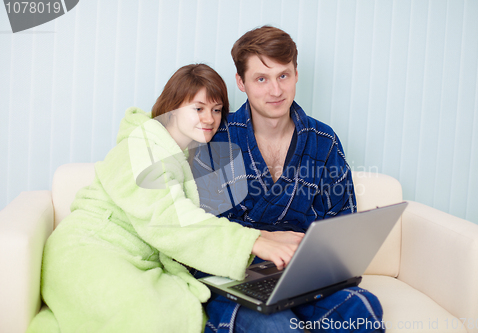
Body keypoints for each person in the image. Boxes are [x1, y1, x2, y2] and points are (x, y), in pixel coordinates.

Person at [26, 64, 302, 333]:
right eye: (198, 108)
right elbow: (169, 218)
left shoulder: (190, 157)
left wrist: (266, 235)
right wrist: (253, 242)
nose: (209, 119)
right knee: (149, 317)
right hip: (89, 249)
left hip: (137, 259)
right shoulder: (140, 146)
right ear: (171, 108)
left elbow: (201, 218)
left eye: (217, 110)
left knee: (173, 308)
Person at [193, 27, 384, 333]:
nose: (276, 90)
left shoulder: (324, 141)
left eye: (283, 76)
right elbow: (199, 232)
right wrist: (262, 242)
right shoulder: (216, 141)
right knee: (279, 328)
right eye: (261, 79)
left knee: (362, 308)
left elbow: (341, 225)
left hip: (303, 277)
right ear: (241, 82)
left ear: (296, 74)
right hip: (234, 277)